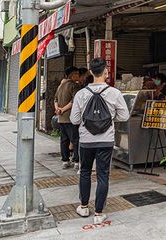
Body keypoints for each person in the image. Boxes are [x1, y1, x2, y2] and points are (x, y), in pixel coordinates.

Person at [70, 58, 129, 224]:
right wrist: (109, 119)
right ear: (106, 72)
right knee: (103, 175)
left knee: (85, 172)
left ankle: (83, 207)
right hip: (106, 141)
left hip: (86, 141)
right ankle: (98, 213)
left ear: (90, 72)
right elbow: (124, 116)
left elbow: (74, 120)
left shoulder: (81, 94)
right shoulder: (114, 93)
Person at [54, 66, 81, 170]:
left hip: (61, 118)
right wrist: (63, 110)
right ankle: (76, 161)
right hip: (70, 118)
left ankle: (65, 160)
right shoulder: (74, 85)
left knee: (64, 140)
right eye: (77, 74)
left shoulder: (60, 85)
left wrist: (58, 110)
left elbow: (55, 99)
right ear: (72, 75)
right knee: (75, 140)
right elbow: (74, 101)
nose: (78, 76)